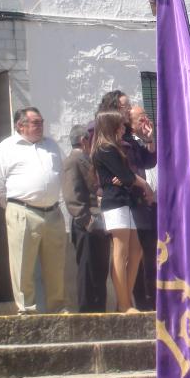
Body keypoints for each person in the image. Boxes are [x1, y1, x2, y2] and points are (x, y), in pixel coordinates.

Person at [0, 107, 67, 314]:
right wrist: (13, 207)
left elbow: (62, 174)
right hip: (22, 211)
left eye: (41, 122)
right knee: (22, 264)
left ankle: (57, 307)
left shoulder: (52, 145)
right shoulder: (5, 149)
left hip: (53, 212)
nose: (40, 126)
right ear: (20, 126)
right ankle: (27, 310)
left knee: (56, 265)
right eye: (35, 122)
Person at [91, 110, 153, 313]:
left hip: (125, 201)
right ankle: (124, 304)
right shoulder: (105, 149)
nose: (123, 128)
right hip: (114, 203)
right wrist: (141, 183)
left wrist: (127, 178)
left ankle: (124, 300)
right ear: (111, 126)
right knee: (120, 251)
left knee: (136, 250)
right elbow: (126, 176)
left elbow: (125, 176)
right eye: (119, 125)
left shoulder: (115, 148)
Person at [62, 124, 110, 313]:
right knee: (87, 271)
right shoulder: (73, 161)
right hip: (86, 225)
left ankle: (99, 310)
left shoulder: (86, 159)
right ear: (83, 140)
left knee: (99, 270)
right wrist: (87, 221)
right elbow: (72, 195)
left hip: (99, 223)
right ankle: (87, 313)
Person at [128, 105, 158, 311]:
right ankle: (143, 300)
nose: (146, 121)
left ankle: (156, 298)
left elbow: (153, 162)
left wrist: (150, 139)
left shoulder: (150, 141)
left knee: (154, 255)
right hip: (139, 206)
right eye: (141, 119)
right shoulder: (129, 144)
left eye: (147, 117)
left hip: (157, 206)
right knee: (140, 257)